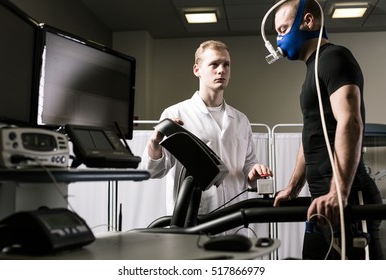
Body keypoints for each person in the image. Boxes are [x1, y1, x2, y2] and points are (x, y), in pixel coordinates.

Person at [271, 0, 384, 259]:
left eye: (283, 29)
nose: (278, 39)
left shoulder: (334, 57)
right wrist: (293, 187)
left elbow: (350, 122)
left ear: (308, 21)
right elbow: (311, 136)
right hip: (321, 201)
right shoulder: (312, 69)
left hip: (348, 198)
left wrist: (338, 191)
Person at [141, 40, 272, 232]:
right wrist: (154, 143)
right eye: (214, 64)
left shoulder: (241, 120)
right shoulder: (175, 114)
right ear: (197, 70)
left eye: (226, 65)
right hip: (192, 221)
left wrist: (254, 174)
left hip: (235, 219)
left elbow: (248, 167)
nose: (222, 70)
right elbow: (153, 171)